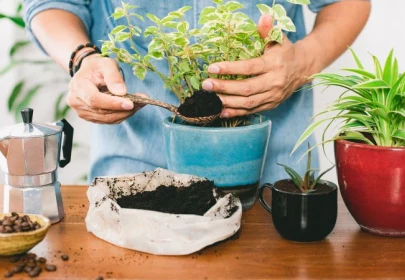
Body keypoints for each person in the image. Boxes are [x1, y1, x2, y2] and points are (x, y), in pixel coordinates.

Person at [23, 0, 371, 183]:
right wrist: (82, 58)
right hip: (136, 163)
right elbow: (52, 2)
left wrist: (303, 63)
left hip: (273, 167)